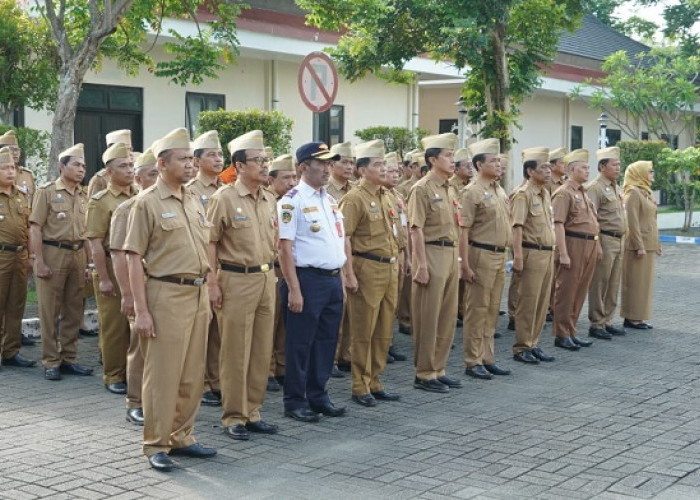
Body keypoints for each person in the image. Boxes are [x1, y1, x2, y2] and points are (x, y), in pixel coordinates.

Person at [124, 127, 216, 472]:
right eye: (183, 159)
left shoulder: (192, 199)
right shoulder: (147, 202)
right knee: (163, 374)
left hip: (197, 294)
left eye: (192, 158)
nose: (191, 165)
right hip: (165, 294)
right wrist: (141, 310)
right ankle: (156, 443)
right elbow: (133, 257)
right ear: (161, 164)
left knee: (192, 373)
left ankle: (182, 436)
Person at [207, 130, 279, 441]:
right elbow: (209, 243)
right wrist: (212, 282)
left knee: (262, 350)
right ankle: (233, 415)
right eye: (258, 161)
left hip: (266, 278)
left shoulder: (270, 199)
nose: (265, 166)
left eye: (266, 160)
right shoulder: (224, 198)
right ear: (238, 165)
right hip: (235, 279)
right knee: (236, 351)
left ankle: (253, 411)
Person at [277, 142, 347, 423]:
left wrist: (340, 279)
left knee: (326, 341)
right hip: (306, 279)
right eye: (323, 164)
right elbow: (284, 248)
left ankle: (318, 395)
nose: (328, 169)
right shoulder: (291, 200)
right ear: (304, 167)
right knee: (300, 343)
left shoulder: (329, 200)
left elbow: (337, 242)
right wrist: (294, 288)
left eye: (331, 163)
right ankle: (295, 400)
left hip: (331, 279)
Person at [340, 139, 401, 407]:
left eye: (384, 164)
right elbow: (345, 238)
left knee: (384, 328)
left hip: (390, 267)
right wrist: (349, 274)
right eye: (377, 165)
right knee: (364, 328)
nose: (383, 169)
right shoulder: (354, 198)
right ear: (362, 170)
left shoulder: (387, 196)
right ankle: (359, 384)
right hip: (367, 266)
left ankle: (376, 379)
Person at [30, 143, 92, 381]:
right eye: (76, 164)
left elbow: (87, 233)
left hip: (78, 254)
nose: (81, 169)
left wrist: (88, 264)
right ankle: (50, 360)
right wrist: (39, 261)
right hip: (53, 253)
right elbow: (35, 228)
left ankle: (69, 358)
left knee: (74, 309)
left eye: (83, 165)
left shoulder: (84, 195)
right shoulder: (46, 192)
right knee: (49, 309)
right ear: (61, 166)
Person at [407, 133, 461, 393]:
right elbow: (415, 229)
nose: (453, 160)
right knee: (429, 316)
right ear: (432, 159)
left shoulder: (450, 188)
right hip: (431, 252)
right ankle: (424, 372)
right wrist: (421, 265)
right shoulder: (422, 188)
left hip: (450, 254)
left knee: (447, 315)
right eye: (448, 156)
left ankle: (439, 368)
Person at [109, 148, 158, 426]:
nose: (157, 179)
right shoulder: (127, 209)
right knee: (140, 348)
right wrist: (128, 294)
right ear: (138, 178)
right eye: (152, 174)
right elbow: (119, 255)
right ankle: (135, 402)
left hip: (166, 288)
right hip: (141, 287)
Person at [85, 142, 137, 394]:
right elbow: (95, 241)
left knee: (134, 323)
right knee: (114, 325)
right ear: (108, 172)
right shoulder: (100, 201)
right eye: (123, 166)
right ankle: (113, 374)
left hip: (136, 266)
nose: (129, 170)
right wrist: (103, 278)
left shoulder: (139, 195)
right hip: (110, 265)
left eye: (131, 165)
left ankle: (132, 372)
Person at [459, 138, 512, 380]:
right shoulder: (472, 192)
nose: (498, 164)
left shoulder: (498, 189)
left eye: (499, 160)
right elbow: (464, 229)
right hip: (481, 253)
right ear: (479, 165)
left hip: (500, 255)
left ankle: (487, 356)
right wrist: (465, 264)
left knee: (492, 309)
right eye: (493, 161)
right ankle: (473, 359)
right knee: (477, 309)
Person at [186, 130, 225, 407]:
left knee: (221, 332)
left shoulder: (226, 190)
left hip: (228, 268)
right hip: (203, 268)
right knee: (205, 331)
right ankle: (203, 383)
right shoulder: (190, 191)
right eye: (212, 154)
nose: (218, 159)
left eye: (221, 154)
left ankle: (218, 380)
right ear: (196, 160)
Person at [551, 149, 601, 351]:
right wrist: (563, 253)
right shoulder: (563, 193)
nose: (587, 171)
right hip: (573, 244)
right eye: (583, 168)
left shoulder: (583, 193)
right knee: (567, 290)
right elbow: (558, 224)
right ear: (571, 170)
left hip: (589, 244)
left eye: (588, 168)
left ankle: (571, 330)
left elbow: (593, 223)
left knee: (580, 291)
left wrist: (596, 246)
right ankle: (561, 333)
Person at [510, 148, 556, 365]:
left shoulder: (545, 193)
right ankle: (522, 346)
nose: (549, 171)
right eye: (543, 168)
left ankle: (533, 342)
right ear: (530, 171)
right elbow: (516, 227)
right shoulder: (523, 194)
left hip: (547, 254)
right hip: (531, 252)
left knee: (541, 302)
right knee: (528, 302)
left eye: (549, 167)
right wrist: (517, 257)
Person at [586, 147, 627, 340]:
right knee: (600, 282)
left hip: (619, 240)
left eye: (619, 164)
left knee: (613, 283)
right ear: (602, 167)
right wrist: (596, 243)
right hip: (605, 238)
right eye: (614, 164)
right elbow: (591, 218)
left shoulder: (615, 186)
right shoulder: (595, 187)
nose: (618, 168)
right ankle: (596, 322)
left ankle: (608, 320)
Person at [0, 146, 36, 368]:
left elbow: (30, 228)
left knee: (16, 305)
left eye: (12, 167)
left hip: (20, 257)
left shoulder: (22, 196)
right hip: (1, 256)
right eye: (4, 168)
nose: (10, 172)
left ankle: (11, 351)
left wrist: (32, 256)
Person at [266, 153, 297, 392]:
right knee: (270, 324)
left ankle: (282, 367)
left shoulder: (293, 202)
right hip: (270, 269)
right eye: (286, 177)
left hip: (290, 269)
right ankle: (267, 370)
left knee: (284, 325)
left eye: (294, 177)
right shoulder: (268, 202)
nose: (292, 182)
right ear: (271, 179)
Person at [620, 161, 661, 330]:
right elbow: (633, 222)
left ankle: (640, 316)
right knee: (636, 283)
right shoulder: (633, 193)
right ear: (639, 173)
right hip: (638, 246)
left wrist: (657, 243)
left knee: (645, 284)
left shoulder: (646, 193)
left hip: (648, 243)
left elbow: (652, 220)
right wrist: (638, 245)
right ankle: (632, 317)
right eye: (650, 171)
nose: (652, 175)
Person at [326, 141, 355, 377]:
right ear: (332, 164)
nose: (349, 166)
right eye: (344, 162)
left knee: (349, 313)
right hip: (329, 259)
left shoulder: (353, 191)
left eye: (352, 162)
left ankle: (346, 355)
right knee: (335, 314)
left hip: (348, 256)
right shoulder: (325, 191)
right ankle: (332, 358)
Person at [382, 152, 409, 363]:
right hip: (378, 258)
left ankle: (387, 343)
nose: (394, 175)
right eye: (390, 171)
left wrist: (407, 257)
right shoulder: (378, 196)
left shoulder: (397, 197)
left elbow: (404, 229)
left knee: (393, 303)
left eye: (396, 171)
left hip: (398, 253)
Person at [545, 147, 568, 322]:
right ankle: (545, 307)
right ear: (552, 166)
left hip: (562, 232)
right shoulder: (547, 184)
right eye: (562, 163)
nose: (565, 165)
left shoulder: (563, 184)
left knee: (557, 274)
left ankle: (553, 306)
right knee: (549, 274)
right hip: (549, 231)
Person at [88, 129, 132, 198]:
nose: (130, 153)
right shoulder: (100, 179)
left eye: (130, 149)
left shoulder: (136, 173)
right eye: (125, 149)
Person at [0, 130, 35, 203]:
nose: (15, 153)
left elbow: (34, 203)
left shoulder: (27, 175)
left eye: (17, 150)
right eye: (11, 150)